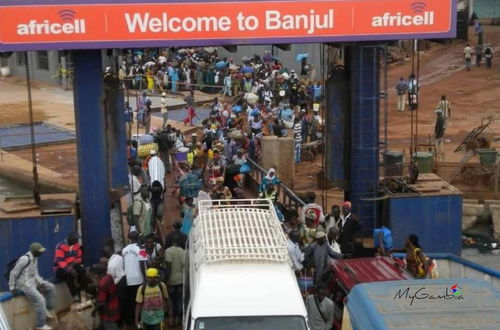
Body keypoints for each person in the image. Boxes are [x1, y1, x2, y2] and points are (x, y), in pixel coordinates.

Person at [9, 243, 55, 330]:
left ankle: (47, 309)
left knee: (51, 287)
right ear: (34, 251)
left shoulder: (35, 258)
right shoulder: (24, 259)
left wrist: (41, 282)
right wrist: (12, 287)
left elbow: (35, 273)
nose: (41, 253)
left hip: (32, 281)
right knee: (41, 300)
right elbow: (13, 273)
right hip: (24, 284)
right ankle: (40, 325)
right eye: (39, 251)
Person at [122, 231, 147, 328]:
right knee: (140, 301)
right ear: (138, 238)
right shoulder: (141, 248)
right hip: (139, 279)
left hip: (128, 279)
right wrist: (145, 278)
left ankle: (133, 322)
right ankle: (141, 321)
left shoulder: (124, 250)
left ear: (130, 239)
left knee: (132, 301)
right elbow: (142, 263)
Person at [54, 231, 86, 302]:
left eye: (77, 239)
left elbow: (79, 257)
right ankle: (74, 295)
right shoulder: (60, 246)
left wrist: (74, 263)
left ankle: (82, 291)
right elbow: (60, 262)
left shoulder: (76, 245)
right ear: (70, 239)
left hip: (72, 264)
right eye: (75, 239)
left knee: (82, 270)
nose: (77, 241)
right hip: (60, 268)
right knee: (68, 274)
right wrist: (70, 269)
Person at [92, 263, 120, 330]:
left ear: (98, 273)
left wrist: (94, 310)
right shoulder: (109, 277)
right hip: (115, 304)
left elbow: (101, 303)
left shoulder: (102, 284)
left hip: (108, 311)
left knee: (110, 325)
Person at [164, 237, 186, 326]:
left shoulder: (168, 251)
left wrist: (166, 279)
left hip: (172, 280)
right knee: (180, 300)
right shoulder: (183, 251)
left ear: (172, 242)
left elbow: (168, 267)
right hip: (181, 279)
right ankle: (178, 319)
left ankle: (171, 319)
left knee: (171, 300)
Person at [104, 246, 127, 328]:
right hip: (125, 280)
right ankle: (128, 322)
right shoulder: (118, 257)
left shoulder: (110, 266)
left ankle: (123, 324)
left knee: (120, 304)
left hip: (118, 284)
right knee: (126, 302)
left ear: (105, 256)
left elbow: (110, 279)